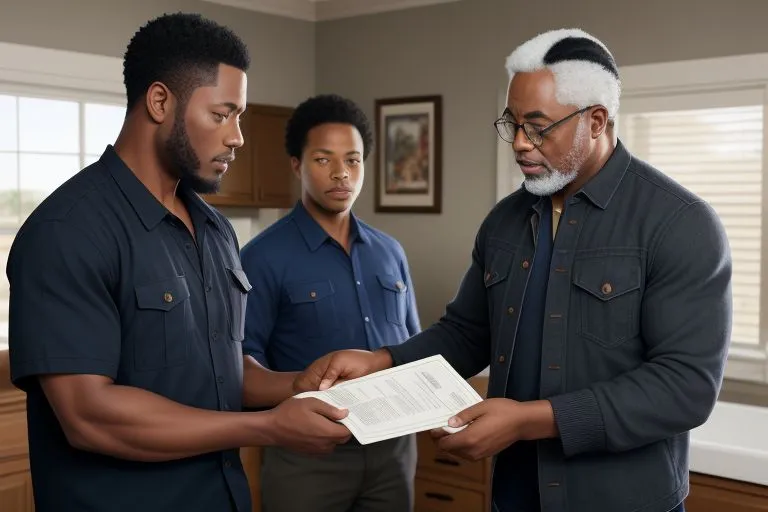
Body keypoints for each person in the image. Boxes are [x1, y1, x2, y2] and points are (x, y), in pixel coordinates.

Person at [295, 28, 732, 512]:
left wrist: (529, 420)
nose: (520, 143)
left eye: (539, 127)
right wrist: (382, 361)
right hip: (516, 495)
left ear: (597, 120)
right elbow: (466, 332)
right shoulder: (504, 221)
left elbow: (685, 388)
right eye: (512, 123)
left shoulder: (679, 223)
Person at [6, 13, 350, 512]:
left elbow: (218, 367)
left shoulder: (214, 229)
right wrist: (267, 427)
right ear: (160, 101)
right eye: (222, 114)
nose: (238, 137)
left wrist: (291, 385)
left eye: (240, 116)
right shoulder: (67, 232)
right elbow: (89, 415)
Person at [240, 94, 421, 512]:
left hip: (393, 451)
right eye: (324, 160)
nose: (341, 173)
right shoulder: (261, 258)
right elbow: (240, 371)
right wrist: (301, 385)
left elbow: (414, 347)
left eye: (353, 160)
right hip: (308, 456)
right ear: (296, 164)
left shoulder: (390, 252)